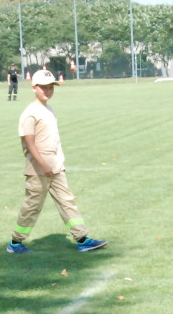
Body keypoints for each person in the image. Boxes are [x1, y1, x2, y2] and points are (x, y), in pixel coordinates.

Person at [7, 69, 106, 254]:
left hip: (56, 167)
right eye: (43, 87)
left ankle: (82, 239)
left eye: (51, 87)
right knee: (32, 207)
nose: (48, 90)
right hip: (38, 170)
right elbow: (29, 142)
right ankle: (15, 243)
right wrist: (44, 166)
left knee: (67, 201)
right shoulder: (30, 113)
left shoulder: (48, 109)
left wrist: (56, 164)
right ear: (34, 88)